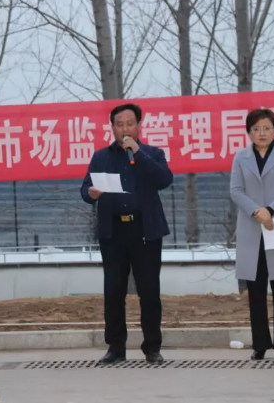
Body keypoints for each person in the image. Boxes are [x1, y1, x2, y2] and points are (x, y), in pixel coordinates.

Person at [80, 103, 173, 365]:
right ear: (112, 128)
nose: (124, 129)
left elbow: (164, 180)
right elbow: (85, 189)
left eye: (129, 124)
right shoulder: (101, 156)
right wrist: (91, 194)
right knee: (114, 291)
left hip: (145, 231)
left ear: (139, 126)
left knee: (149, 291)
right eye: (119, 125)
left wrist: (138, 152)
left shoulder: (152, 153)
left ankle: (152, 348)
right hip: (113, 232)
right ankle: (116, 348)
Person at [229, 108, 274, 361]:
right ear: (249, 132)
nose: (262, 133)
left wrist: (269, 210)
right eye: (256, 129)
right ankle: (260, 344)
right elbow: (236, 190)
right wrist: (256, 211)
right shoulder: (241, 157)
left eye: (267, 128)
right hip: (252, 227)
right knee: (256, 290)